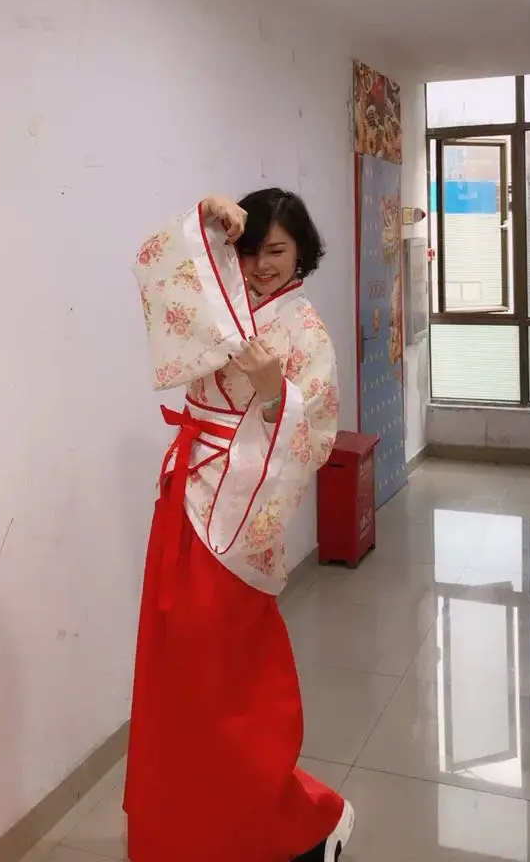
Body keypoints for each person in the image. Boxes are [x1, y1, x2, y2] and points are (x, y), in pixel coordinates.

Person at [124, 189, 354, 862]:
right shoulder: (221, 298)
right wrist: (203, 219)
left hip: (242, 514)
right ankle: (181, 823)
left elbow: (315, 437)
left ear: (302, 251)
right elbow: (157, 266)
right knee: (173, 666)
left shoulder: (304, 331)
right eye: (248, 251)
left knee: (227, 678)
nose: (259, 266)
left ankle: (278, 819)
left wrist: (276, 392)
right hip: (184, 494)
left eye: (275, 251)